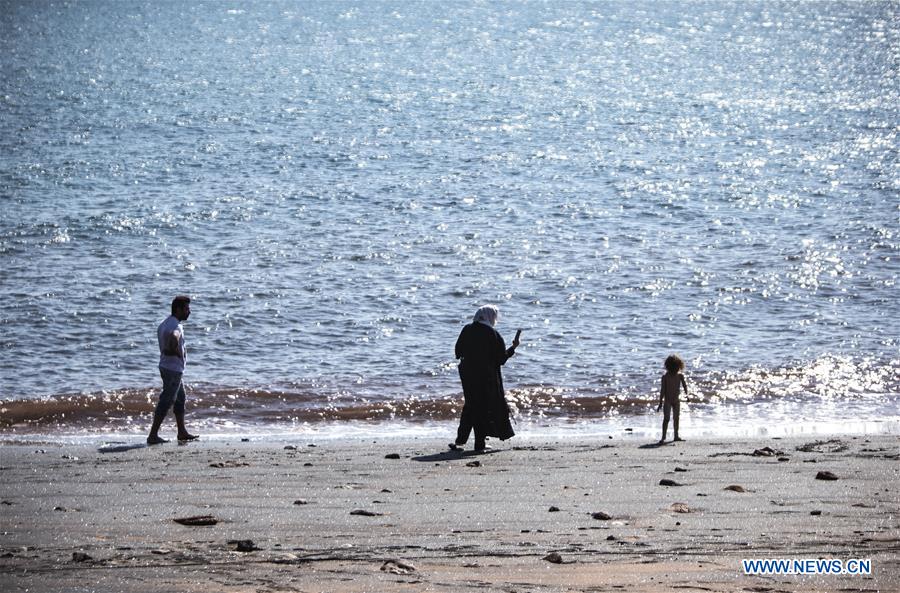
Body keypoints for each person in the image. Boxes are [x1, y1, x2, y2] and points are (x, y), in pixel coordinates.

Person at [450, 304, 520, 452]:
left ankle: (460, 441)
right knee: (481, 408)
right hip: (486, 377)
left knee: (470, 406)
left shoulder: (467, 329)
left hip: (467, 375)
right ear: (490, 317)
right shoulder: (493, 334)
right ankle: (479, 445)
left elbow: (457, 352)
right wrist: (513, 348)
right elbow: (501, 359)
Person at [147, 296, 198, 445]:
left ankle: (181, 432)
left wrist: (170, 350)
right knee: (166, 401)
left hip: (168, 367)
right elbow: (174, 337)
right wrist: (173, 350)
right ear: (178, 309)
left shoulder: (164, 323)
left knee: (180, 398)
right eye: (186, 309)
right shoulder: (176, 326)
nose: (189, 312)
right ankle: (153, 435)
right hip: (172, 370)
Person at [657, 354, 688, 443]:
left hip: (676, 400)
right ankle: (663, 437)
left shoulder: (680, 376)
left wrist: (687, 395)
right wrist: (660, 402)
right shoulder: (665, 377)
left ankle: (676, 436)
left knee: (676, 418)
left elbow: (685, 386)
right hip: (668, 401)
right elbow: (662, 390)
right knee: (666, 419)